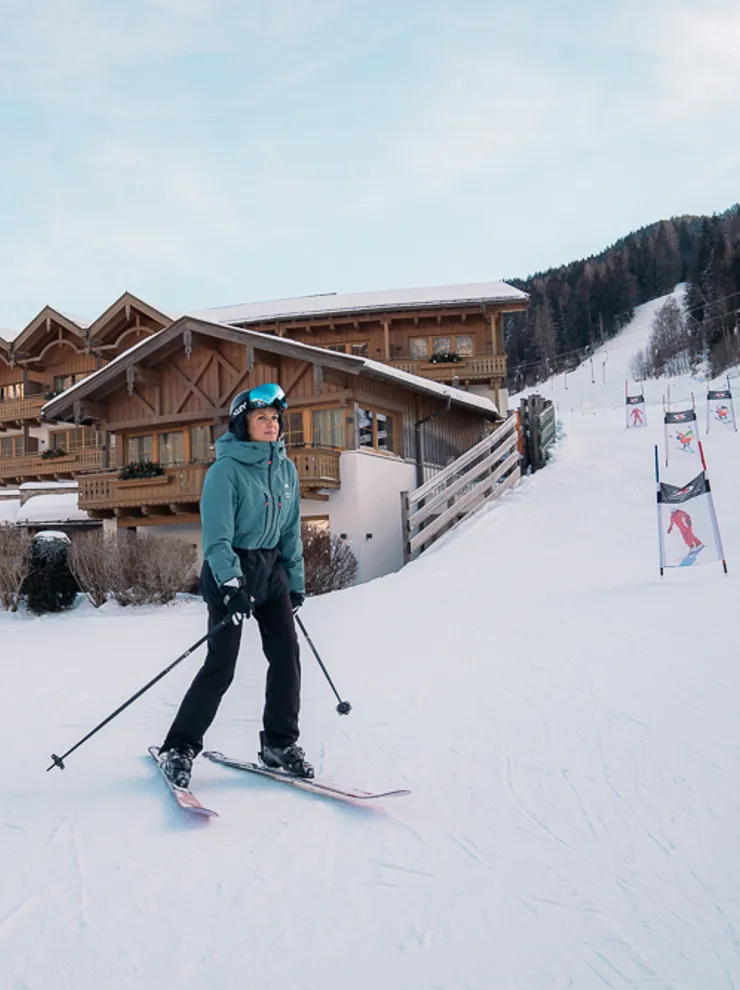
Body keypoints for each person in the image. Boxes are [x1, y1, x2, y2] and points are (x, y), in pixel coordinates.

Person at [158, 382, 313, 789]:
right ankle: (179, 746)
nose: (271, 424)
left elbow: (291, 532)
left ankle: (280, 743)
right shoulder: (224, 471)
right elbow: (216, 539)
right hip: (233, 570)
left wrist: (294, 582)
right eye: (261, 417)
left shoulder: (286, 469)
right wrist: (230, 584)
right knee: (221, 666)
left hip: (271, 570)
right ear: (242, 424)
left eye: (275, 418)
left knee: (286, 658)